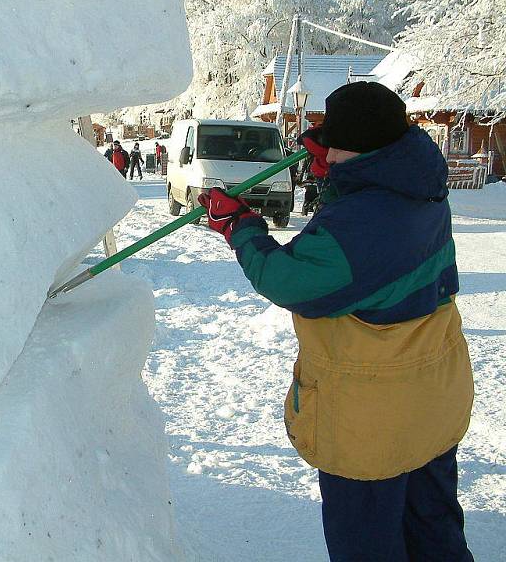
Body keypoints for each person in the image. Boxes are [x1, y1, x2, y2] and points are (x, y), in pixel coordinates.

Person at [198, 82, 474, 562]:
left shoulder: (357, 225)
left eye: (333, 141)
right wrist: (337, 173)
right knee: (434, 532)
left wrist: (240, 227)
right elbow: (374, 234)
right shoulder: (419, 185)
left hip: (372, 419)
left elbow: (288, 279)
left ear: (356, 147)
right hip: (433, 399)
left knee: (368, 546)